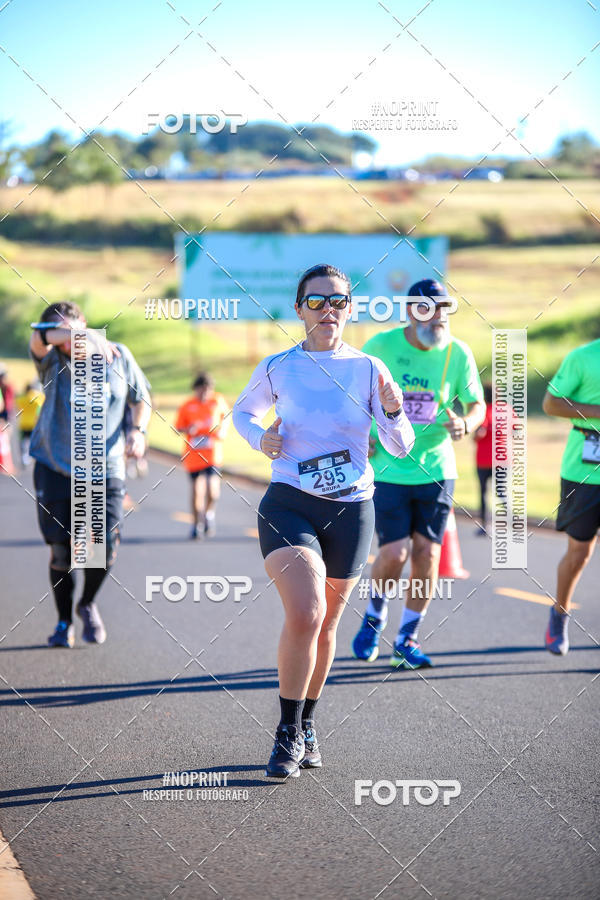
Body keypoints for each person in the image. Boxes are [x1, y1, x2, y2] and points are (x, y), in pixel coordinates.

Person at [233, 263, 415, 778]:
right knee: (308, 612)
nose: (327, 310)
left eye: (337, 301)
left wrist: (395, 412)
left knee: (329, 623)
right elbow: (243, 414)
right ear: (299, 309)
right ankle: (287, 732)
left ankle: (308, 722)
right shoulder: (278, 366)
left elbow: (400, 449)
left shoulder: (369, 369)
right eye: (316, 301)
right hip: (290, 500)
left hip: (353, 507)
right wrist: (259, 438)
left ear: (349, 309)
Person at [352, 278, 485, 669]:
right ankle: (375, 614)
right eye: (430, 307)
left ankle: (407, 637)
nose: (440, 315)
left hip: (437, 468)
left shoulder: (457, 352)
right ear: (412, 311)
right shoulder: (381, 347)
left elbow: (476, 404)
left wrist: (468, 423)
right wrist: (362, 434)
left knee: (427, 553)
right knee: (395, 552)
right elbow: (351, 395)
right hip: (388, 467)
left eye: (445, 307)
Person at [29, 301, 151, 648]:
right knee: (62, 551)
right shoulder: (50, 358)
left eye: (76, 329)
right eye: (63, 333)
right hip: (55, 466)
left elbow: (141, 399)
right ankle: (63, 621)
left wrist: (137, 432)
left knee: (101, 548)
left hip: (105, 469)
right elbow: (41, 339)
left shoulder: (118, 356)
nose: (71, 340)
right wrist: (83, 335)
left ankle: (87, 603)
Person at [542, 339, 600, 655]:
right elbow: (551, 404)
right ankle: (560, 612)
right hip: (585, 471)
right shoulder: (583, 357)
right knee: (580, 552)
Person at [175, 372, 230, 539]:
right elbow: (179, 427)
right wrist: (188, 430)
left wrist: (223, 430)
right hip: (193, 455)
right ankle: (196, 524)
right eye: (201, 390)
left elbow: (227, 417)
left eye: (208, 389)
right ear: (196, 389)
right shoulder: (187, 405)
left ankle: (208, 515)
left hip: (212, 454)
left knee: (213, 491)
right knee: (197, 490)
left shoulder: (217, 401)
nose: (205, 393)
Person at [16, 381, 44, 466]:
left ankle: (24, 457)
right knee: (33, 441)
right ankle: (32, 457)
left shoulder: (21, 399)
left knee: (23, 441)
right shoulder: (37, 398)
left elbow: (16, 402)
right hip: (33, 424)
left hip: (23, 423)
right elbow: (42, 399)